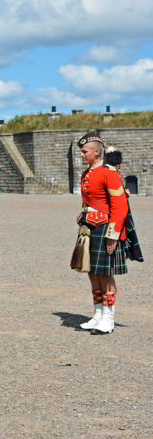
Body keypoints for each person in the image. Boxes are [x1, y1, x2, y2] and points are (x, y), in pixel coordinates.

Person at [71, 134, 140, 334]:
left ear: (97, 152)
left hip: (104, 228)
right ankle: (98, 314)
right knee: (92, 272)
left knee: (105, 274)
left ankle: (108, 318)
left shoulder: (109, 173)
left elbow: (119, 207)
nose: (82, 155)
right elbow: (90, 201)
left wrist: (113, 234)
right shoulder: (86, 174)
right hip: (89, 227)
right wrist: (84, 212)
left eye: (84, 152)